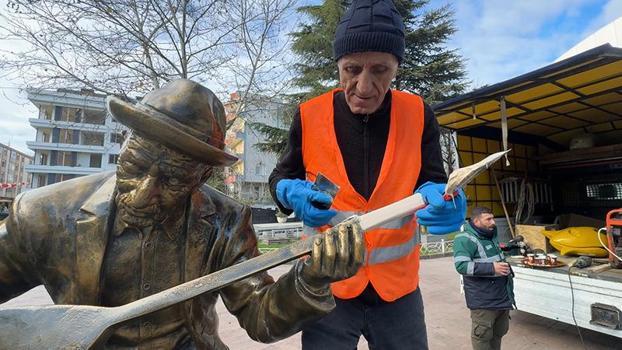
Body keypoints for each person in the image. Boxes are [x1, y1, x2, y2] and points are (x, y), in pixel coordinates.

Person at [0, 79, 366, 349]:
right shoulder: (44, 215)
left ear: (201, 177)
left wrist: (311, 280)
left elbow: (260, 317)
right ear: (124, 144)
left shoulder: (225, 221)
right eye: (135, 165)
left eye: (173, 179)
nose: (145, 191)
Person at [268, 0, 466, 348]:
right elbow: (280, 176)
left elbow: (432, 179)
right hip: (328, 283)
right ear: (338, 66)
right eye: (352, 69)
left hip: (397, 290)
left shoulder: (418, 114)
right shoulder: (309, 115)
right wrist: (290, 192)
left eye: (380, 70)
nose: (363, 85)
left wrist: (444, 197)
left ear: (396, 68)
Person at [453, 207, 515, 350]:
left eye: (492, 218)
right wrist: (492, 268)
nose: (493, 222)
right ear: (476, 221)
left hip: (501, 297)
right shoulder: (464, 239)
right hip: (484, 301)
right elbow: (461, 266)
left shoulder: (490, 235)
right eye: (488, 219)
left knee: (498, 334)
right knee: (482, 338)